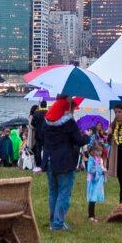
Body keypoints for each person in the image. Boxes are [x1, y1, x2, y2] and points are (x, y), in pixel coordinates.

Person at [42, 96, 88, 231]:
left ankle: (53, 222)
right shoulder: (69, 123)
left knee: (53, 192)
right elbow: (79, 141)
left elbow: (41, 136)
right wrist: (87, 136)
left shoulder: (47, 121)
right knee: (64, 192)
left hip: (50, 159)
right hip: (64, 161)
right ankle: (58, 224)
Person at [85, 143, 106, 222]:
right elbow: (90, 170)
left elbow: (100, 167)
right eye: (97, 151)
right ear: (92, 151)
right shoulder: (91, 159)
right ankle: (91, 216)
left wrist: (102, 170)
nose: (99, 152)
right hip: (92, 181)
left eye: (101, 151)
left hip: (97, 181)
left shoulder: (98, 158)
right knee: (92, 198)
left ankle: (92, 215)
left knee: (94, 197)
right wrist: (98, 171)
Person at [28, 103, 46, 172]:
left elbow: (32, 123)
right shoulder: (48, 113)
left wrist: (37, 127)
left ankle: (38, 164)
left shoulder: (36, 113)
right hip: (45, 135)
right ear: (46, 105)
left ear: (40, 106)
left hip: (38, 134)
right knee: (45, 150)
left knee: (38, 150)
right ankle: (44, 165)